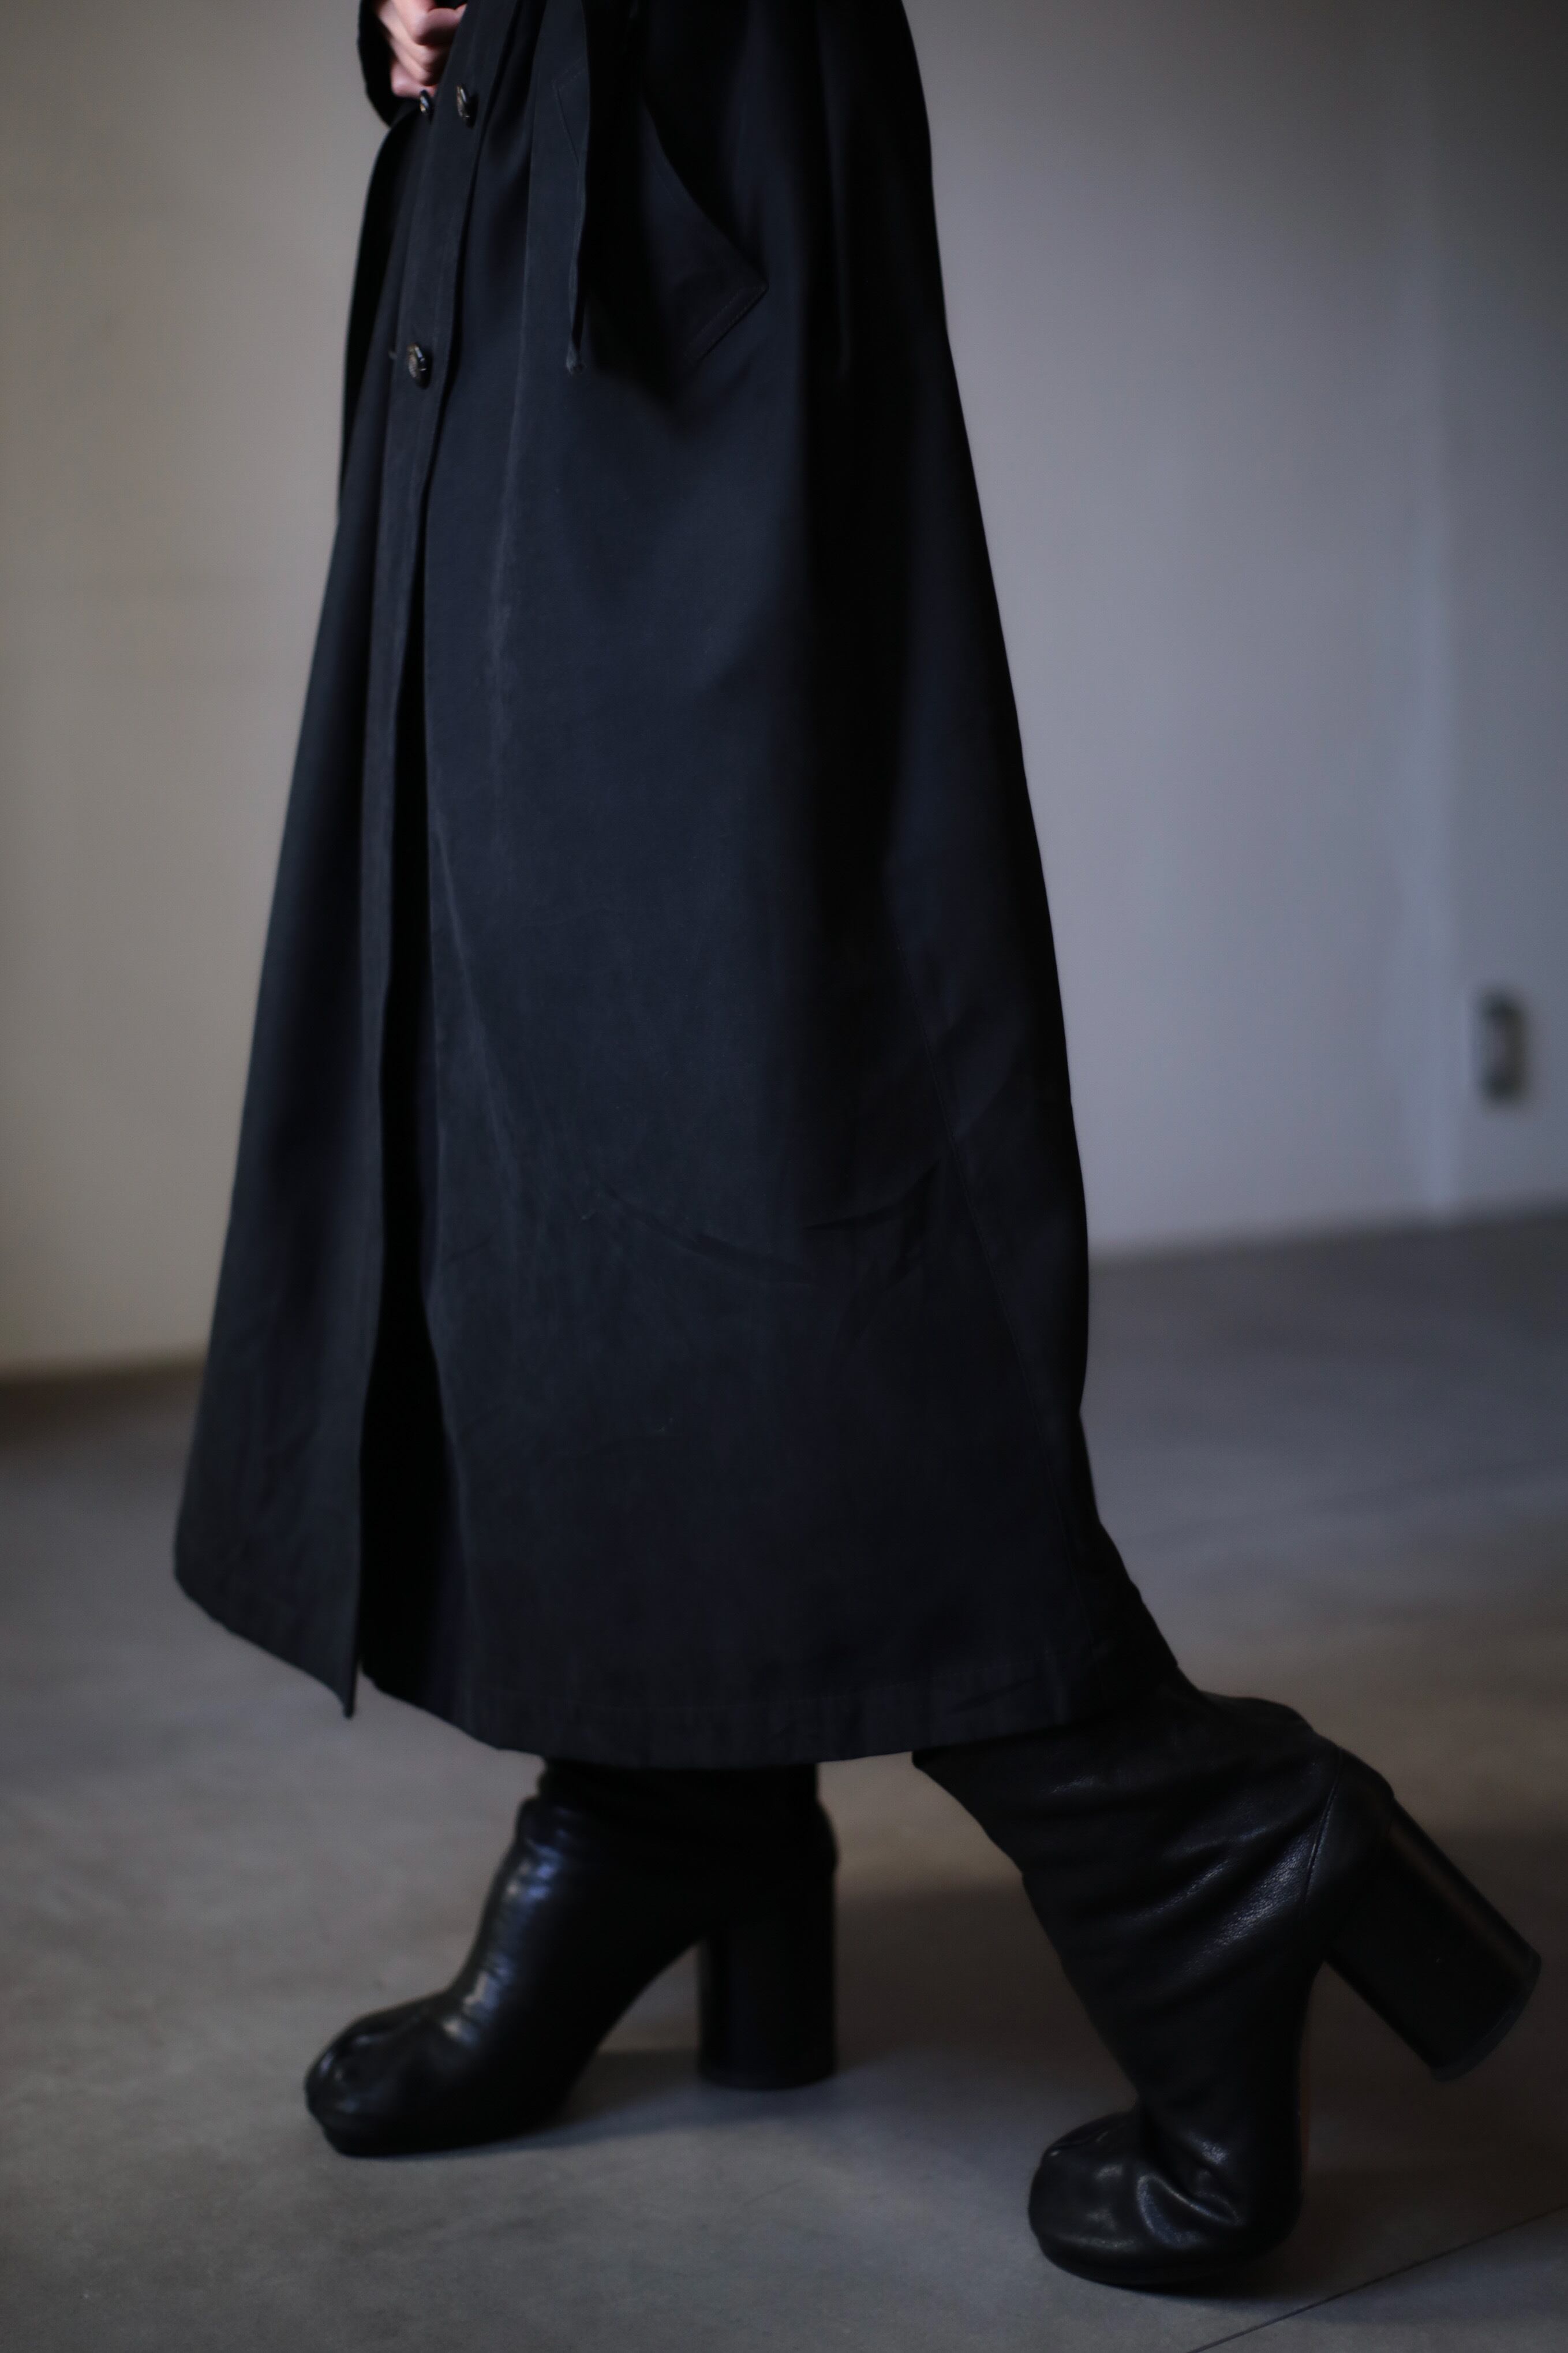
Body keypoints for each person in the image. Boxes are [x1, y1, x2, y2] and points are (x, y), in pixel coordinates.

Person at [175, 0, 1539, 2291]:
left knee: (737, 1067)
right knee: (529, 1071)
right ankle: (669, 1783)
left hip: (679, 115)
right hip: (513, 144)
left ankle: (1186, 1837)